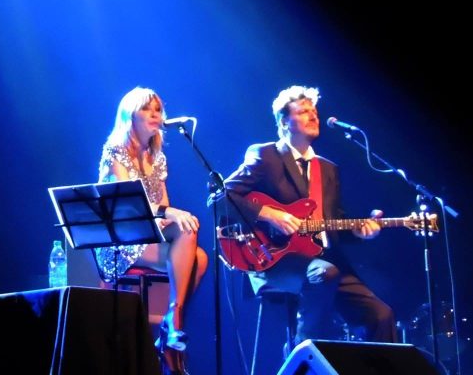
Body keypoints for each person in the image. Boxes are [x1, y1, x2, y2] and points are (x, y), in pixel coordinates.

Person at [220, 85, 396, 346]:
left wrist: (360, 232)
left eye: (314, 111)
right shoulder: (265, 155)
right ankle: (305, 353)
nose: (314, 116)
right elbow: (220, 198)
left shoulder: (328, 169)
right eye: (303, 112)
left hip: (325, 261)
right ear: (283, 122)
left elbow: (332, 221)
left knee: (381, 316)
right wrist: (268, 213)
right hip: (275, 260)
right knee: (324, 275)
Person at [95, 87, 208, 375]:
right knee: (190, 245)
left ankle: (173, 318)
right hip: (119, 241)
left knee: (200, 253)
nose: (155, 114)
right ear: (130, 115)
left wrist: (171, 216)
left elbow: (163, 205)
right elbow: (127, 204)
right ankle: (172, 330)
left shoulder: (157, 157)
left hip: (149, 234)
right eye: (147, 109)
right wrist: (169, 214)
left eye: (158, 109)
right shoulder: (115, 150)